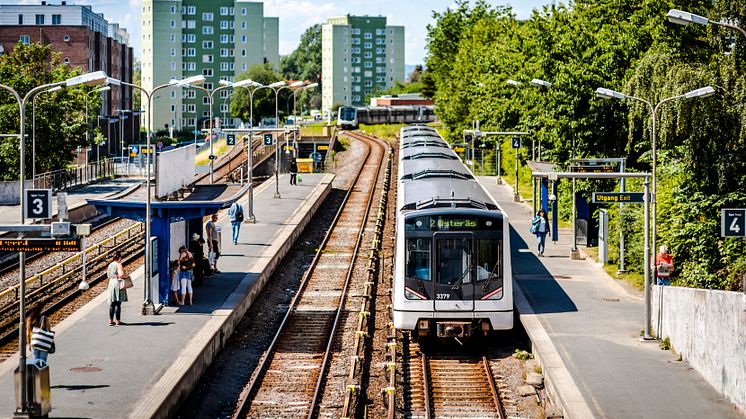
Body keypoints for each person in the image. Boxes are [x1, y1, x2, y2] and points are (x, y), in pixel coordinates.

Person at [107, 251, 129, 326]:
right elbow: (121, 275)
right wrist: (126, 276)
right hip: (117, 283)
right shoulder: (119, 264)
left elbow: (108, 276)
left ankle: (110, 320)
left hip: (111, 283)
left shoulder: (110, 265)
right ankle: (117, 321)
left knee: (112, 303)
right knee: (118, 303)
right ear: (119, 257)